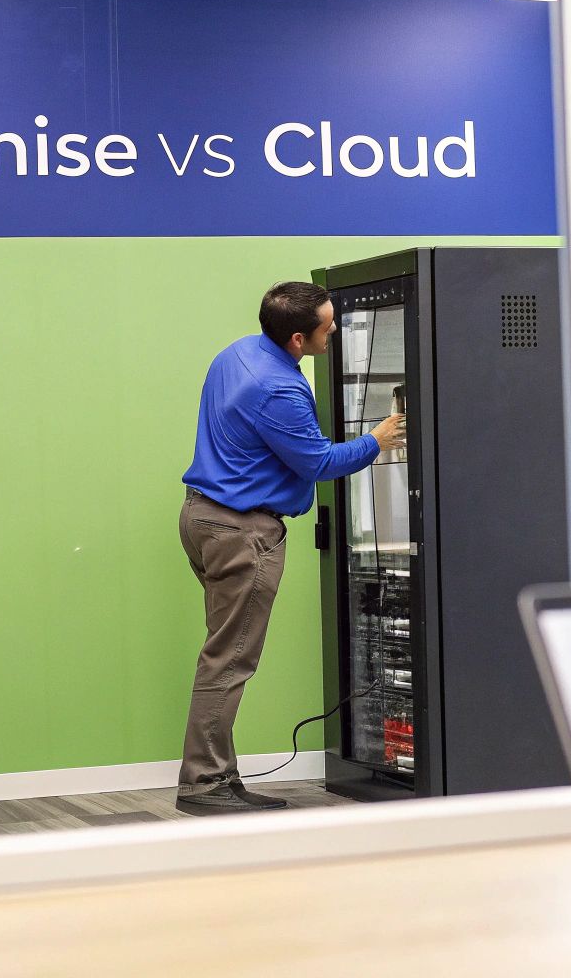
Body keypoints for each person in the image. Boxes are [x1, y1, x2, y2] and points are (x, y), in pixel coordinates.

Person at [174, 281, 405, 815]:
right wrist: (378, 439)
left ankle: (219, 775)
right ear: (299, 338)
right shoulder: (278, 388)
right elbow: (319, 463)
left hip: (202, 517)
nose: (335, 330)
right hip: (241, 534)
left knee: (223, 652)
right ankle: (204, 785)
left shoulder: (237, 352)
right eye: (329, 325)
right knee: (228, 661)